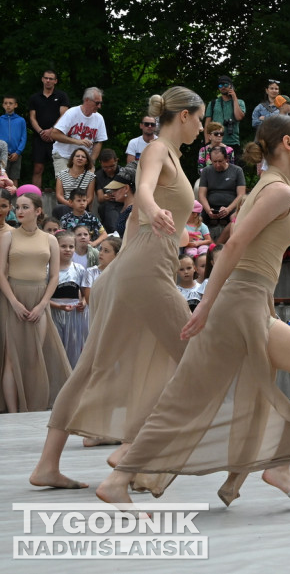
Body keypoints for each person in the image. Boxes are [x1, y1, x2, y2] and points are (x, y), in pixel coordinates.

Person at [96, 112, 290, 508]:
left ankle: (277, 465)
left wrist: (261, 305)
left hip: (249, 303)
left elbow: (252, 254)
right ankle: (120, 477)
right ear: (288, 144)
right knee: (190, 397)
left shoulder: (271, 186)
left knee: (196, 394)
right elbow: (235, 244)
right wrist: (207, 303)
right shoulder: (275, 190)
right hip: (237, 305)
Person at [31, 86, 203, 491]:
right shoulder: (158, 149)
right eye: (198, 118)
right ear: (183, 116)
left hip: (135, 270)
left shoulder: (176, 157)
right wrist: (152, 206)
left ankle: (50, 464)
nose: (201, 126)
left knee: (97, 364)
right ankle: (131, 451)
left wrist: (165, 216)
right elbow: (142, 187)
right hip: (143, 271)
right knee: (196, 356)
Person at [0, 192, 70, 413]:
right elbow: (0, 273)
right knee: (12, 358)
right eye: (17, 207)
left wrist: (42, 305)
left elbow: (55, 276)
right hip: (13, 297)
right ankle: (13, 412)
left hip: (40, 298)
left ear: (38, 211)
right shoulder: (8, 237)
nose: (19, 211)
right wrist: (13, 301)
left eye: (24, 207)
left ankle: (31, 407)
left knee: (33, 355)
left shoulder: (50, 239)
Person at [28, 70, 70, 188]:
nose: (48, 81)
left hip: (57, 137)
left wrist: (52, 130)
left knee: (61, 169)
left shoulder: (62, 96)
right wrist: (42, 132)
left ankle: (63, 198)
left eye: (51, 78)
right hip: (39, 137)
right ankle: (35, 198)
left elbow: (64, 115)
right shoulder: (34, 97)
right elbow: (32, 118)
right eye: (46, 78)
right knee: (37, 168)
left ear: (55, 81)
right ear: (42, 79)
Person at [50, 87, 106, 174]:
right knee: (66, 185)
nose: (99, 106)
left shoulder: (99, 118)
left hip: (84, 159)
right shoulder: (71, 113)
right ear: (87, 100)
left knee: (86, 185)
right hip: (64, 156)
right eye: (97, 103)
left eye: (100, 103)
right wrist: (77, 142)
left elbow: (99, 142)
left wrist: (92, 161)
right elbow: (54, 134)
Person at [198, 147, 247, 239]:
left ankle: (226, 243)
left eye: (220, 161)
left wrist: (228, 209)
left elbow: (241, 194)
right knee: (196, 216)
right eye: (214, 161)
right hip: (211, 207)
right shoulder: (206, 171)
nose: (217, 165)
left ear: (226, 159)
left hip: (231, 206)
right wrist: (208, 210)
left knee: (236, 217)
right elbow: (201, 194)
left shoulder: (237, 170)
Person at [204, 75, 245, 155]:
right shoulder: (213, 103)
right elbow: (207, 124)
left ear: (231, 86)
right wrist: (207, 142)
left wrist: (234, 98)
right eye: (220, 85)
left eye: (226, 85)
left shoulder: (239, 102)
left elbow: (239, 117)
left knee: (233, 167)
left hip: (233, 142)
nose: (223, 87)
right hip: (215, 142)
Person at [53, 147, 96, 219]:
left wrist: (80, 205)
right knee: (60, 208)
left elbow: (90, 197)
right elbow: (59, 195)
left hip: (82, 205)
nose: (80, 158)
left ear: (87, 161)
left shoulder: (91, 176)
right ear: (72, 159)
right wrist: (70, 204)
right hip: (66, 204)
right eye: (77, 156)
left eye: (83, 157)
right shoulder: (61, 174)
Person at [0, 94, 27, 183]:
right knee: (2, 176)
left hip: (16, 154)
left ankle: (14, 197)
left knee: (15, 177)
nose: (8, 105)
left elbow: (23, 137)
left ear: (15, 105)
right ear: (3, 105)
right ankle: (2, 197)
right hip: (2, 154)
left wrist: (18, 152)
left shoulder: (21, 120)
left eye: (10, 103)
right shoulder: (0, 119)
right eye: (6, 103)